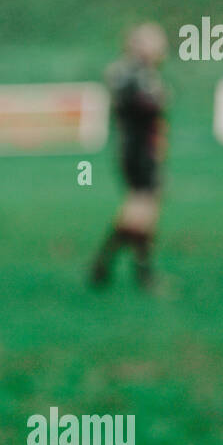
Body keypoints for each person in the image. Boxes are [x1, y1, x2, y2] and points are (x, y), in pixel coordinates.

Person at [89, 22, 169, 290]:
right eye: (154, 41)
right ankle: (132, 272)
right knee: (141, 211)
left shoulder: (140, 72)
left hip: (139, 148)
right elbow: (138, 106)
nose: (161, 47)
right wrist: (158, 99)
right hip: (136, 150)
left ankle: (108, 267)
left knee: (140, 212)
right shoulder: (130, 73)